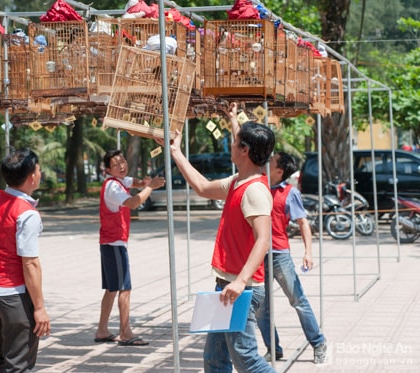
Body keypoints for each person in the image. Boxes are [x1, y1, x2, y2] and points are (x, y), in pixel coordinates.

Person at [157, 103, 276, 373]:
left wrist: (241, 281)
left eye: (235, 142)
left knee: (246, 360)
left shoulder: (254, 191)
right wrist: (175, 150)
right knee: (214, 359)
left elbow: (263, 241)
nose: (230, 145)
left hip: (240, 288)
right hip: (227, 285)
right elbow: (201, 187)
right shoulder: (237, 182)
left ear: (244, 150)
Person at [0, 147, 51, 372]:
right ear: (32, 177)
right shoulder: (27, 213)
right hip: (14, 295)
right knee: (19, 363)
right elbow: (30, 263)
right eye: (38, 169)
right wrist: (39, 308)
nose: (40, 172)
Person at [256, 152, 327, 364]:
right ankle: (273, 349)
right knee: (261, 308)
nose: (266, 162)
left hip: (279, 255)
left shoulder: (290, 192)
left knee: (298, 301)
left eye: (271, 161)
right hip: (258, 257)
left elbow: (303, 222)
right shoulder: (258, 187)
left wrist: (308, 252)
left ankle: (318, 342)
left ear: (279, 171)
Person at [95, 149, 165, 346]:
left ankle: (102, 330)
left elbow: (133, 182)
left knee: (112, 288)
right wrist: (151, 187)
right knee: (124, 288)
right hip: (115, 243)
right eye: (116, 164)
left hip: (110, 242)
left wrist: (143, 182)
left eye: (123, 161)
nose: (122, 166)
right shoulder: (113, 188)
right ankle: (125, 332)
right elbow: (134, 203)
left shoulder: (118, 181)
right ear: (108, 169)